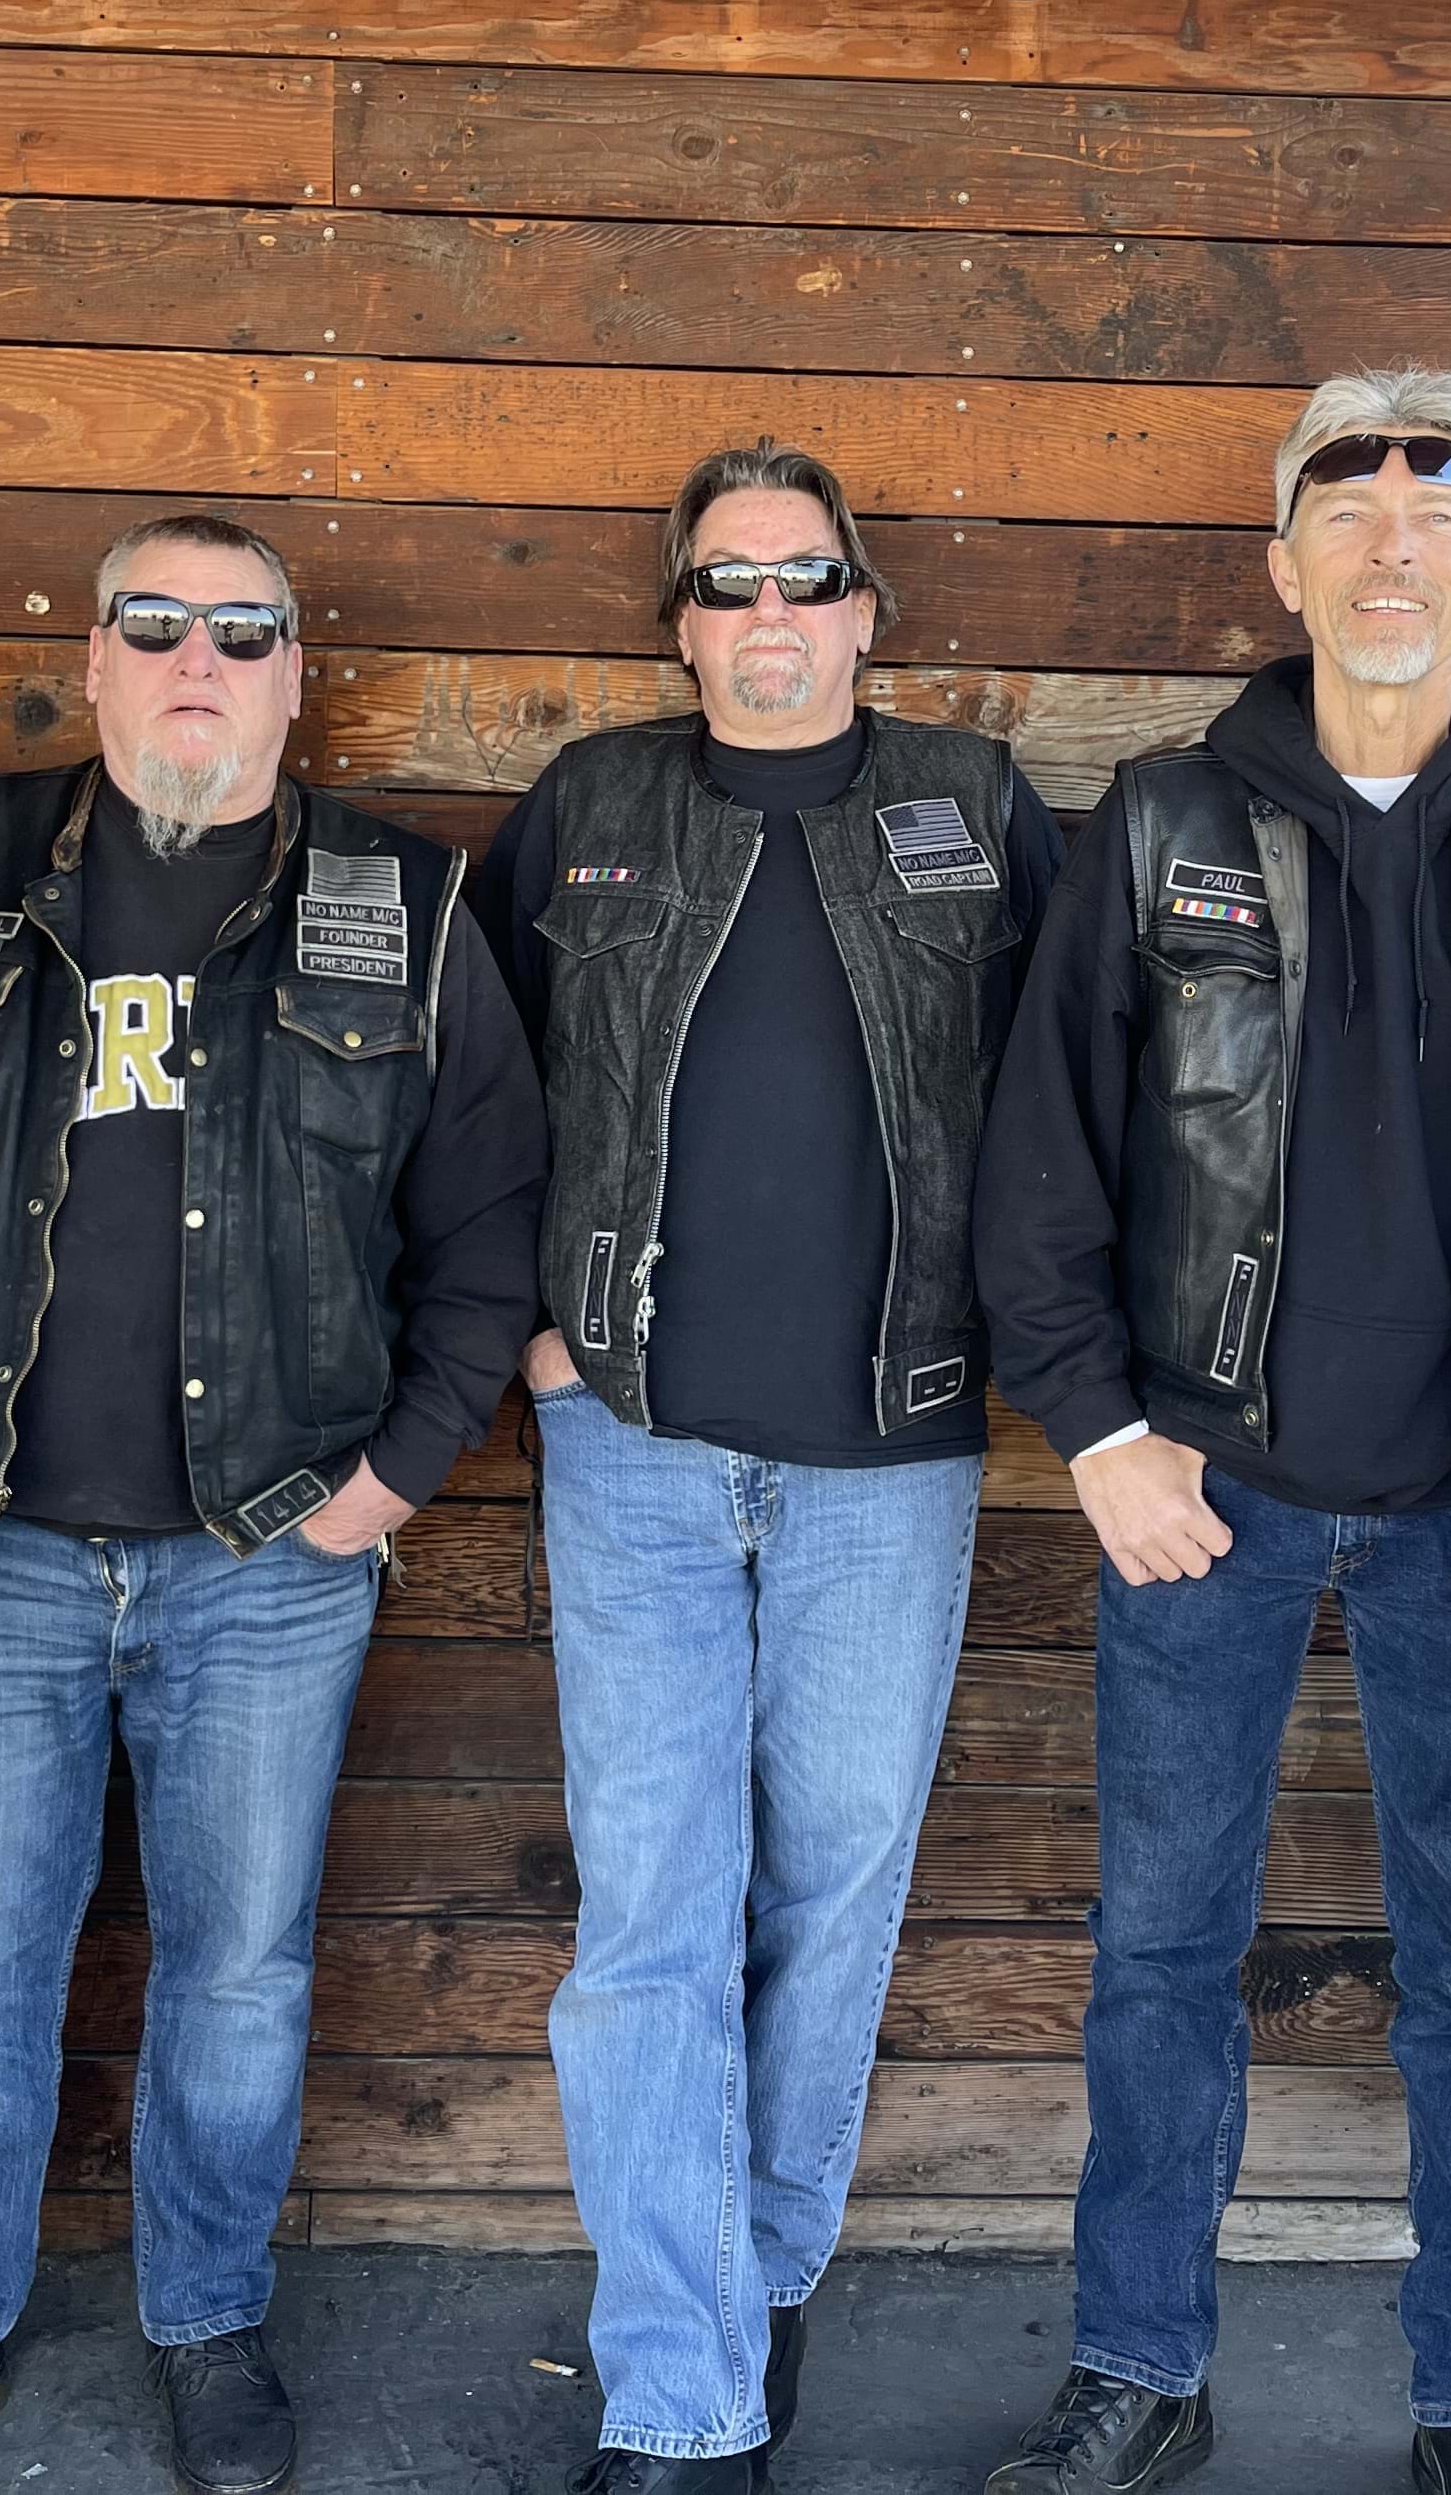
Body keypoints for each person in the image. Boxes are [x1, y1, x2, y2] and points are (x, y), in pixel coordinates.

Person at [0, 512, 546, 2495]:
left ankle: (207, 2319)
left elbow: (492, 1221)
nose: (198, 659)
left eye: (243, 632)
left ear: (298, 678)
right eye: (156, 625)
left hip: (270, 1551)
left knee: (240, 1979)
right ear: (95, 664)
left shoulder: (402, 900)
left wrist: (386, 1484)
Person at [974, 367, 1451, 2495]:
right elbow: (1042, 1157)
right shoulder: (1160, 825)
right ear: (1282, 567)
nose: (1393, 543)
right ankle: (1140, 2374)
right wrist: (1101, 1429)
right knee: (1159, 1957)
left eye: (1437, 505)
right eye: (1347, 509)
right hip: (1212, 1498)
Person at [471, 445, 1067, 2492]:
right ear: (682, 626)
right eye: (725, 585)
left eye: (804, 579)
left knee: (832, 1887)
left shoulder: (978, 806)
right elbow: (477, 1086)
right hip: (632, 1444)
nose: (768, 618)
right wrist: (534, 1331)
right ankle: (681, 2393)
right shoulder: (592, 808)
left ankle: (757, 2268)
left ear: (865, 610)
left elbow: (1075, 1098)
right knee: (650, 1915)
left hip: (889, 1454)